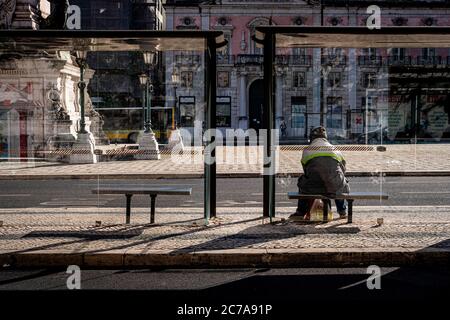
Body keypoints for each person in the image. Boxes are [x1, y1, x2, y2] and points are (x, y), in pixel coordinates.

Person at [290, 126, 349, 220]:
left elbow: (306, 170)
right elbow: (343, 169)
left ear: (312, 138)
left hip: (313, 187)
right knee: (340, 181)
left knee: (302, 181)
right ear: (325, 137)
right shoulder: (335, 149)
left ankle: (300, 212)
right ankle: (342, 211)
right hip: (332, 187)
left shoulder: (307, 150)